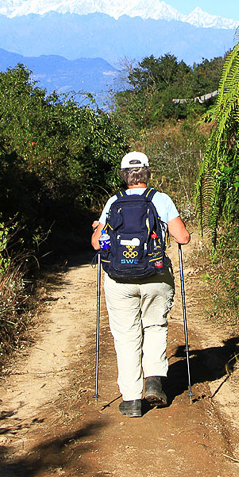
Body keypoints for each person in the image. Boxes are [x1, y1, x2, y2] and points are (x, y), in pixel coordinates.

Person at [91, 151, 191, 417]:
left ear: (124, 175)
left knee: (126, 336)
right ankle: (154, 381)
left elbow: (96, 243)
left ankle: (132, 400)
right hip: (156, 276)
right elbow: (182, 238)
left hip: (119, 279)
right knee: (155, 325)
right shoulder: (161, 199)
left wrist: (96, 229)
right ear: (147, 172)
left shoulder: (114, 201)